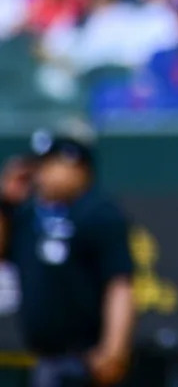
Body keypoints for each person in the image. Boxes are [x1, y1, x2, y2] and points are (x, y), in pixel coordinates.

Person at [0, 134, 135, 386]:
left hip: (88, 358)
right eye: (39, 166)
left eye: (51, 165)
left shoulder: (97, 213)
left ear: (77, 167)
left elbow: (119, 284)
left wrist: (114, 348)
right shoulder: (27, 215)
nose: (42, 174)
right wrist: (5, 202)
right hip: (45, 357)